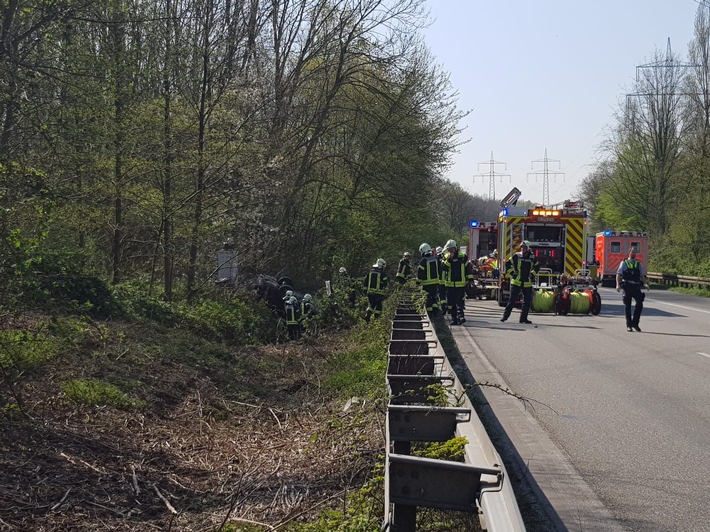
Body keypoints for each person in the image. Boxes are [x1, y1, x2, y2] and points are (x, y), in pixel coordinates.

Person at [500, 240, 540, 324]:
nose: (522, 249)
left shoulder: (532, 257)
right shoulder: (517, 256)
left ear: (528, 248)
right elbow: (507, 264)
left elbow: (537, 266)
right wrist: (512, 272)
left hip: (527, 282)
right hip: (516, 281)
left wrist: (532, 274)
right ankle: (505, 317)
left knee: (527, 301)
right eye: (522, 247)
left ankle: (523, 318)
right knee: (512, 300)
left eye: (524, 247)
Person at [616, 246, 649, 332]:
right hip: (627, 286)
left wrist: (645, 283)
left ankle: (635, 323)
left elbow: (641, 276)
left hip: (636, 286)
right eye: (632, 252)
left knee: (640, 304)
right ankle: (629, 325)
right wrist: (618, 284)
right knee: (628, 306)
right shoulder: (624, 263)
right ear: (629, 252)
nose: (634, 253)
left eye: (635, 252)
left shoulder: (638, 264)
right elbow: (618, 274)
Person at [441, 239, 474, 325]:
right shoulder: (446, 257)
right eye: (449, 249)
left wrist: (470, 280)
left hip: (460, 284)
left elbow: (468, 269)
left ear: (456, 248)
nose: (451, 251)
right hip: (450, 284)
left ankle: (461, 317)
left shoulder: (463, 257)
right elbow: (443, 268)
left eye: (452, 249)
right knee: (451, 303)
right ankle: (454, 319)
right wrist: (450, 260)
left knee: (459, 302)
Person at [417, 243, 440, 315]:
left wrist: (418, 282)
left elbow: (420, 272)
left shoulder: (423, 260)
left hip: (426, 283)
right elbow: (440, 269)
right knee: (434, 296)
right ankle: (435, 310)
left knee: (428, 297)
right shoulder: (436, 259)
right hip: (436, 282)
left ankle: (430, 312)